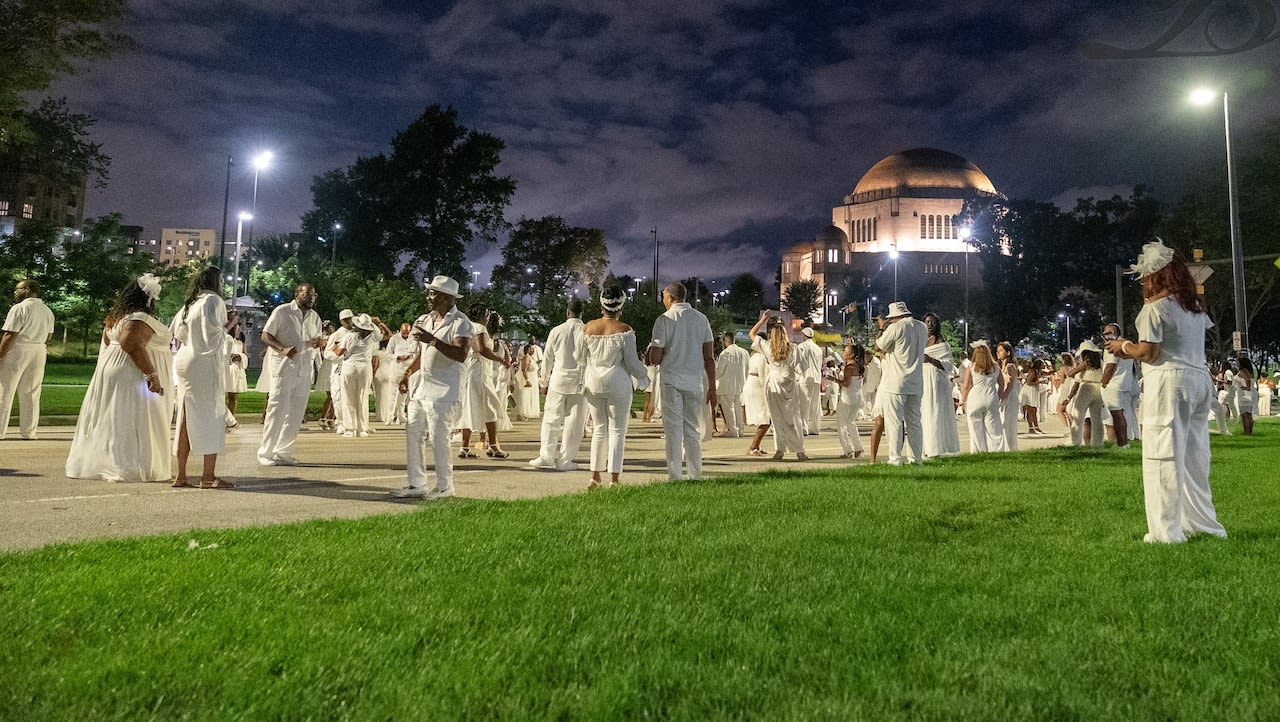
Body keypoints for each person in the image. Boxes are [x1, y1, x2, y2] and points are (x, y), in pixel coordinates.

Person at [1105, 238, 1226, 543]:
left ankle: (1166, 533)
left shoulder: (1155, 310)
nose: (1142, 282)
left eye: (1144, 277)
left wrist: (1123, 347)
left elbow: (1150, 353)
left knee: (1162, 455)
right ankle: (1204, 525)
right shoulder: (1194, 308)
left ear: (1156, 276)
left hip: (1168, 382)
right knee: (1195, 456)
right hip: (1199, 379)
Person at [66, 275, 173, 482]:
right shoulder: (139, 318)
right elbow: (130, 343)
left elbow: (108, 342)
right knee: (135, 418)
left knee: (113, 417)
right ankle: (131, 466)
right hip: (132, 374)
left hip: (114, 370)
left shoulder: (118, 317)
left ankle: (105, 461)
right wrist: (152, 374)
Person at [393, 275, 471, 499]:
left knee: (439, 438)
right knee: (413, 434)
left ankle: (445, 486)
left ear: (447, 298)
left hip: (445, 391)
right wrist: (408, 372)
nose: (428, 297)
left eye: (433, 293)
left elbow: (461, 354)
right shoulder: (425, 320)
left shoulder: (461, 322)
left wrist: (433, 340)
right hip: (422, 388)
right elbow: (422, 354)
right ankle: (416, 483)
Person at [577, 286, 649, 489]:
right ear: (621, 306)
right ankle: (614, 479)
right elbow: (632, 362)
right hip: (617, 381)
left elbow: (579, 357)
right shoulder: (625, 330)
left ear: (601, 306)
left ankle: (594, 476)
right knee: (618, 431)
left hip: (593, 381)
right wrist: (644, 377)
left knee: (599, 429)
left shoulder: (587, 328)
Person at [171, 266, 230, 488]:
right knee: (211, 415)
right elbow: (212, 337)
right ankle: (208, 476)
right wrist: (229, 327)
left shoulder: (190, 303)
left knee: (185, 418)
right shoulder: (213, 301)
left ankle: (181, 475)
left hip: (185, 360)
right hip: (203, 362)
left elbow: (177, 334)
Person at [649, 282, 716, 479]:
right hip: (695, 381)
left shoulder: (664, 319)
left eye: (663, 296)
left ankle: (675, 475)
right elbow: (709, 357)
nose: (662, 300)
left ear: (670, 297)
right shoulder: (701, 319)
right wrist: (712, 387)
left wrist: (650, 354)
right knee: (693, 429)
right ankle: (695, 474)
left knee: (673, 430)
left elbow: (656, 357)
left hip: (671, 380)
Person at [258, 283, 325, 466]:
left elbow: (315, 339)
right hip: (284, 368)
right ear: (297, 294)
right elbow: (265, 335)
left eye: (314, 295)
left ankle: (283, 452)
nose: (312, 297)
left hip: (304, 370)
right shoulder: (283, 311)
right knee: (277, 410)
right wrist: (283, 348)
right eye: (307, 294)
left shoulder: (314, 317)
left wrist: (318, 342)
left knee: (295, 414)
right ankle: (266, 453)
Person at [530, 299, 588, 471]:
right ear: (581, 313)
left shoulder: (556, 331)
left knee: (551, 418)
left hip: (558, 379)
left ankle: (546, 456)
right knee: (574, 422)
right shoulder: (586, 331)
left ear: (567, 312)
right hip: (579, 381)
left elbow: (547, 358)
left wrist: (543, 380)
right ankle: (565, 460)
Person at [0, 278, 56, 440]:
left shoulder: (19, 308)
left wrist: (1, 354)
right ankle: (29, 432)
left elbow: (10, 334)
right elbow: (49, 335)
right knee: (31, 392)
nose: (16, 291)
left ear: (29, 289)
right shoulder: (47, 310)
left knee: (5, 390)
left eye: (19, 288)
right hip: (39, 349)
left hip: (18, 349)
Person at [875, 301, 926, 466]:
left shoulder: (895, 328)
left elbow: (880, 345)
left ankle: (895, 458)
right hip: (916, 381)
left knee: (895, 421)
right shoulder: (922, 327)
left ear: (895, 317)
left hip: (896, 382)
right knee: (915, 422)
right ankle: (916, 458)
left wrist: (882, 328)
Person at [749, 312, 806, 461]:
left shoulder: (768, 347)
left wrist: (763, 319)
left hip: (773, 383)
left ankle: (780, 450)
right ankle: (800, 451)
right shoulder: (793, 348)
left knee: (777, 419)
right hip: (789, 383)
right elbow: (801, 367)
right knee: (794, 417)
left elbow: (752, 334)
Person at [457, 307, 511, 459]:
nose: (488, 317)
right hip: (480, 371)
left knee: (469, 407)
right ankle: (493, 446)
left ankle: (464, 447)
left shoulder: (466, 327)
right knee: (490, 407)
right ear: (480, 315)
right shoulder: (480, 328)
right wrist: (502, 360)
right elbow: (482, 349)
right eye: (486, 314)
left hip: (470, 370)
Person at [335, 313, 386, 438]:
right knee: (363, 397)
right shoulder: (372, 337)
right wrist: (374, 323)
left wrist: (334, 345)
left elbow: (338, 352)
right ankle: (362, 428)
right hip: (364, 367)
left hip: (349, 366)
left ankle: (349, 428)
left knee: (348, 397)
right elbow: (386, 334)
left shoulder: (349, 336)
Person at [920, 312, 960, 458]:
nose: (929, 325)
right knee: (923, 413)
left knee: (935, 412)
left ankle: (938, 447)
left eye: (932, 322)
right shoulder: (920, 341)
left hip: (937, 381)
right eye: (927, 322)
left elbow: (948, 365)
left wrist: (930, 359)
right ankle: (924, 447)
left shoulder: (942, 344)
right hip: (922, 379)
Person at [959, 340, 1005, 453]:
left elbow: (966, 385)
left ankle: (978, 451)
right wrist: (998, 397)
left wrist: (962, 401)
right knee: (993, 428)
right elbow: (1002, 384)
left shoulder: (971, 366)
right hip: (991, 396)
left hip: (975, 397)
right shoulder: (995, 367)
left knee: (975, 428)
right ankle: (996, 450)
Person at [1100, 323, 1138, 447]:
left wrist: (1104, 382)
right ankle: (1128, 439)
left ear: (1116, 333)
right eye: (1105, 333)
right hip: (1125, 383)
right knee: (1124, 414)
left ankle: (1122, 443)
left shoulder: (1113, 346)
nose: (1107, 335)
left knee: (1116, 415)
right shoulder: (1126, 344)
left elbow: (1111, 365)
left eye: (1109, 332)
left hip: (1114, 384)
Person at [1065, 340, 1107, 448]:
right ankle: (1098, 443)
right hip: (1098, 389)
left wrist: (1076, 366)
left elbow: (1071, 374)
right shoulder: (1101, 363)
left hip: (1086, 388)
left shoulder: (1086, 362)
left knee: (1078, 417)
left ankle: (1075, 441)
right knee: (1097, 419)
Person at [714, 331, 749, 438]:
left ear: (726, 341)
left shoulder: (725, 353)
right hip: (740, 385)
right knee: (738, 407)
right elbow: (747, 369)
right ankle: (740, 429)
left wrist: (713, 377)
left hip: (727, 385)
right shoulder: (744, 352)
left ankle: (733, 429)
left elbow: (720, 371)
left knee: (729, 408)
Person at [384, 322, 418, 424]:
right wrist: (398, 357)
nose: (405, 335)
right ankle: (389, 416)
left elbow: (416, 352)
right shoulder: (394, 338)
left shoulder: (413, 339)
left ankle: (401, 415)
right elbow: (387, 354)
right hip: (396, 367)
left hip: (408, 368)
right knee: (392, 393)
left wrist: (410, 356)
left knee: (404, 394)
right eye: (404, 333)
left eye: (407, 333)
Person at [835, 341, 865, 458]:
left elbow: (846, 383)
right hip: (857, 397)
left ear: (851, 355)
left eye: (845, 352)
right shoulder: (860, 366)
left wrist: (834, 379)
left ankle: (848, 450)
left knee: (841, 424)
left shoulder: (849, 367)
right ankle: (858, 448)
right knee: (851, 423)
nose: (843, 353)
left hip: (847, 398)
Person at [743, 344, 771, 455]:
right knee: (765, 418)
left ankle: (757, 446)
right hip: (757, 386)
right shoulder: (761, 358)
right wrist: (767, 391)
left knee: (764, 418)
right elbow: (763, 377)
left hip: (751, 384)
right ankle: (753, 446)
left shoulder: (753, 357)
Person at [795, 326, 824, 435]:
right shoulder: (818, 348)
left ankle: (803, 427)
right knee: (815, 404)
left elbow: (799, 362)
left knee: (804, 404)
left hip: (805, 377)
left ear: (804, 336)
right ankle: (815, 428)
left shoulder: (802, 346)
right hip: (816, 378)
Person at [223, 311, 248, 428]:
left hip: (236, 368)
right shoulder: (224, 335)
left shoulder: (240, 339)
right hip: (226, 367)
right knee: (221, 394)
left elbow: (245, 354)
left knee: (233, 395)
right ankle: (222, 418)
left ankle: (231, 417)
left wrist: (240, 357)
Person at [995, 341, 1019, 451]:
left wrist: (1003, 397)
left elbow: (1010, 384)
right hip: (1003, 394)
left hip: (1010, 395)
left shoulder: (1010, 366)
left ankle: (1011, 447)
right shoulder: (999, 366)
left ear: (1008, 352)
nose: (998, 353)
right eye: (997, 351)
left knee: (1009, 422)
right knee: (1001, 421)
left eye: (1001, 351)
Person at [516, 343, 541, 420]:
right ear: (527, 350)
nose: (533, 350)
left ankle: (530, 412)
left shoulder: (531, 358)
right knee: (526, 396)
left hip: (533, 377)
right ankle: (523, 413)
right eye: (531, 349)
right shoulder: (526, 358)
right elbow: (524, 369)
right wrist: (527, 380)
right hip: (529, 377)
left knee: (531, 396)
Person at [1233, 355, 1257, 435]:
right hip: (1248, 395)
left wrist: (1247, 387)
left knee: (1244, 415)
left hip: (1243, 395)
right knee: (1248, 414)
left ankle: (1247, 431)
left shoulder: (1243, 371)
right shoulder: (1248, 371)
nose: (1237, 364)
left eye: (1238, 362)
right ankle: (1249, 431)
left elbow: (1248, 379)